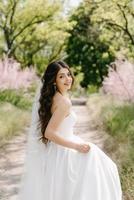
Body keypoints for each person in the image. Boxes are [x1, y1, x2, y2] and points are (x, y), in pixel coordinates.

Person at [18, 61, 122, 200]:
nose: (68, 79)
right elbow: (49, 132)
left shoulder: (54, 98)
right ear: (54, 81)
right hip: (63, 152)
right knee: (102, 172)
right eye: (61, 76)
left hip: (56, 150)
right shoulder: (63, 102)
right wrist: (76, 146)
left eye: (68, 74)